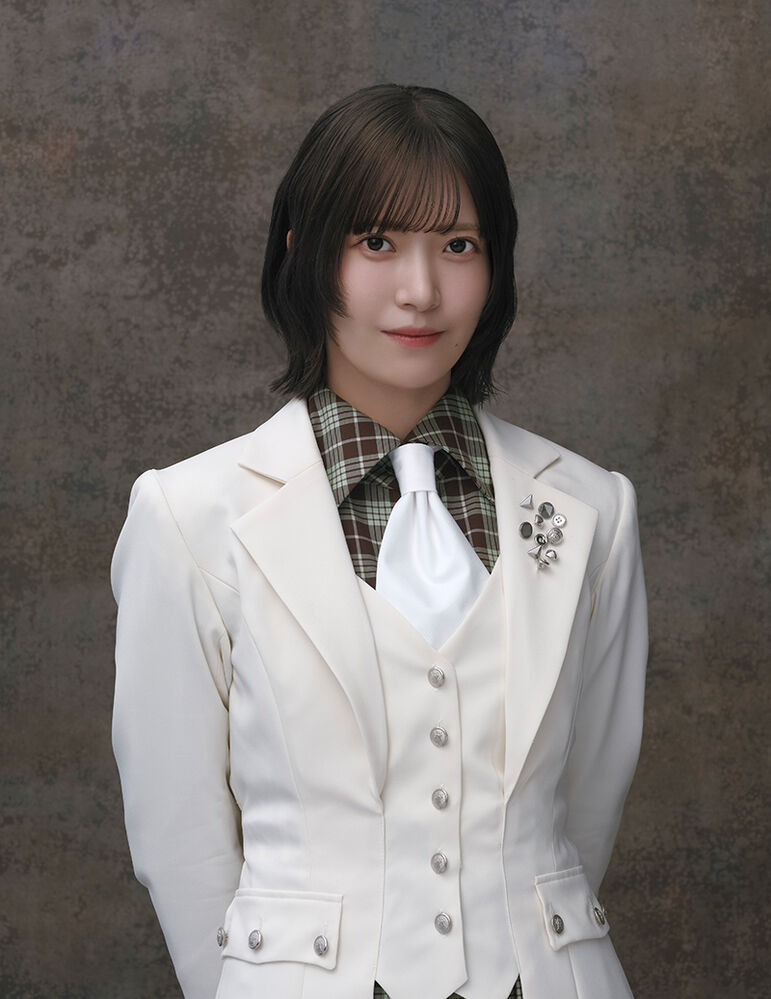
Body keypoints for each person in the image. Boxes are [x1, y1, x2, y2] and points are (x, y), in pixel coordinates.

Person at [111, 84, 648, 999]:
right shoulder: (189, 513)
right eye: (375, 242)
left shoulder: (593, 507)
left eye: (458, 245)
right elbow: (178, 836)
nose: (420, 290)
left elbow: (585, 807)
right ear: (303, 251)